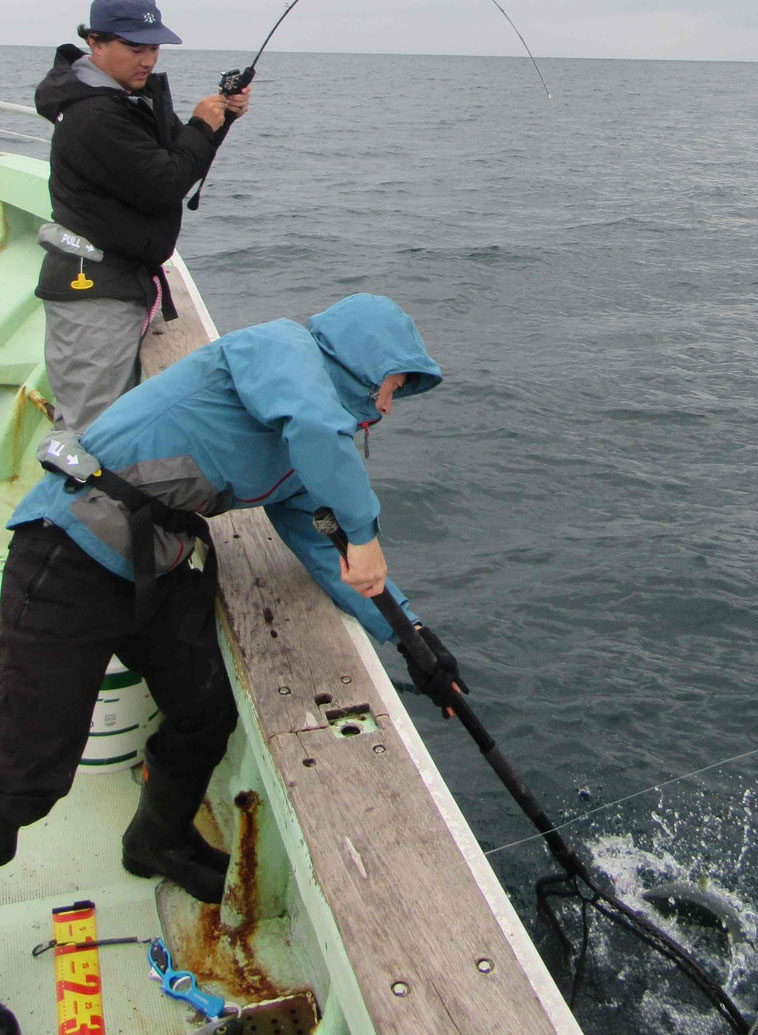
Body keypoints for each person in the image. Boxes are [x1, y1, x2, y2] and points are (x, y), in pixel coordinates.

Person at [0, 294, 464, 915]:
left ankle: (157, 840)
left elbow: (326, 548)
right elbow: (315, 428)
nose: (387, 405)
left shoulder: (310, 452)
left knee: (205, 711)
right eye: (392, 384)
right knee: (21, 777)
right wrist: (365, 530)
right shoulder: (280, 349)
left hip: (156, 565)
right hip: (69, 552)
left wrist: (414, 639)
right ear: (361, 362)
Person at [33, 0, 251, 433]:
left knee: (107, 427)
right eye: (135, 47)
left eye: (154, 47)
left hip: (118, 281)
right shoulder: (95, 114)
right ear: (94, 42)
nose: (148, 59)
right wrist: (202, 127)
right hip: (93, 296)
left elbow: (176, 159)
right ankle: (65, 502)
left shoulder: (124, 100)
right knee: (86, 434)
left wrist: (218, 121)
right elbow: (164, 182)